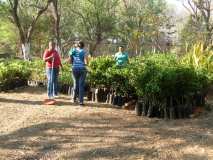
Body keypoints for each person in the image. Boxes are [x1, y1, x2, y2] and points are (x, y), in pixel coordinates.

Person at [69, 41, 89, 105]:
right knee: (81, 85)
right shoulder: (84, 51)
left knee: (75, 84)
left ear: (77, 45)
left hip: (74, 69)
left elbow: (70, 58)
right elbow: (86, 61)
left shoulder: (73, 50)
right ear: (83, 46)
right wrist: (85, 65)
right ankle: (81, 101)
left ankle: (74, 99)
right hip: (82, 69)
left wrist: (72, 64)